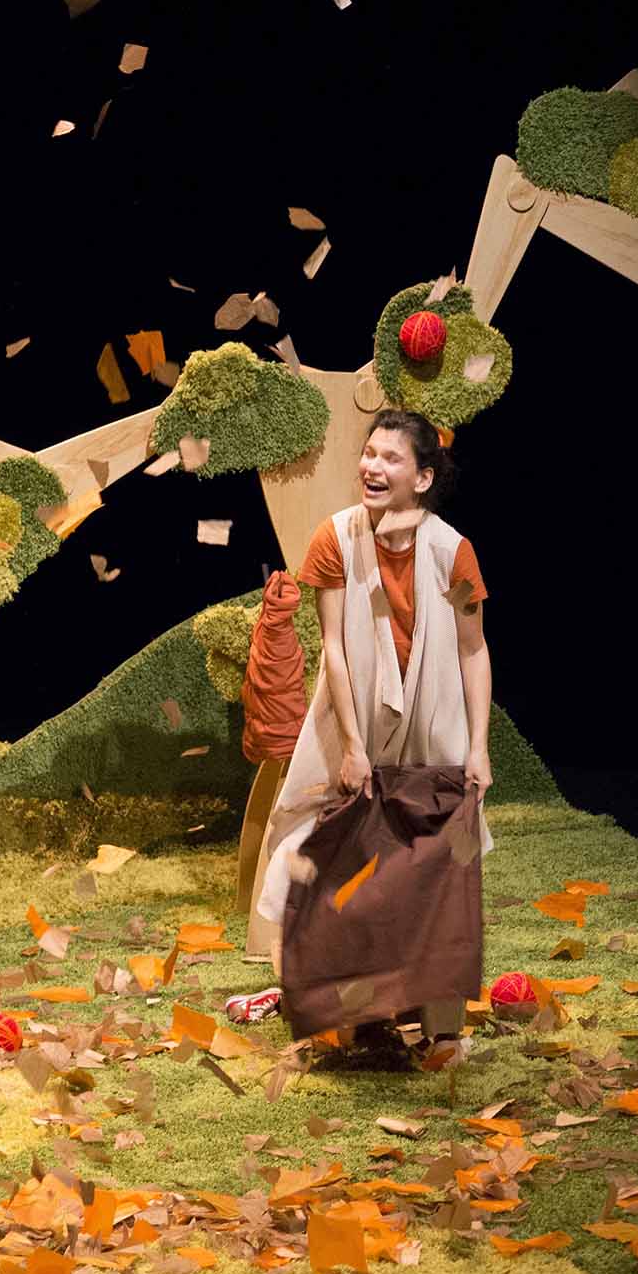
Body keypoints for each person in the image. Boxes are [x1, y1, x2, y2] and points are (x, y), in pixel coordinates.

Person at [252, 408, 493, 1063]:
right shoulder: (336, 538)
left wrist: (477, 746)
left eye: (390, 458)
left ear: (423, 477)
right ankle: (354, 1015)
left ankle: (442, 1030)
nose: (372, 466)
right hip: (352, 721)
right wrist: (354, 747)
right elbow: (334, 646)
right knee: (320, 858)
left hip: (432, 727)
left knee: (437, 869)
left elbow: (473, 649)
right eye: (368, 453)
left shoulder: (451, 551)